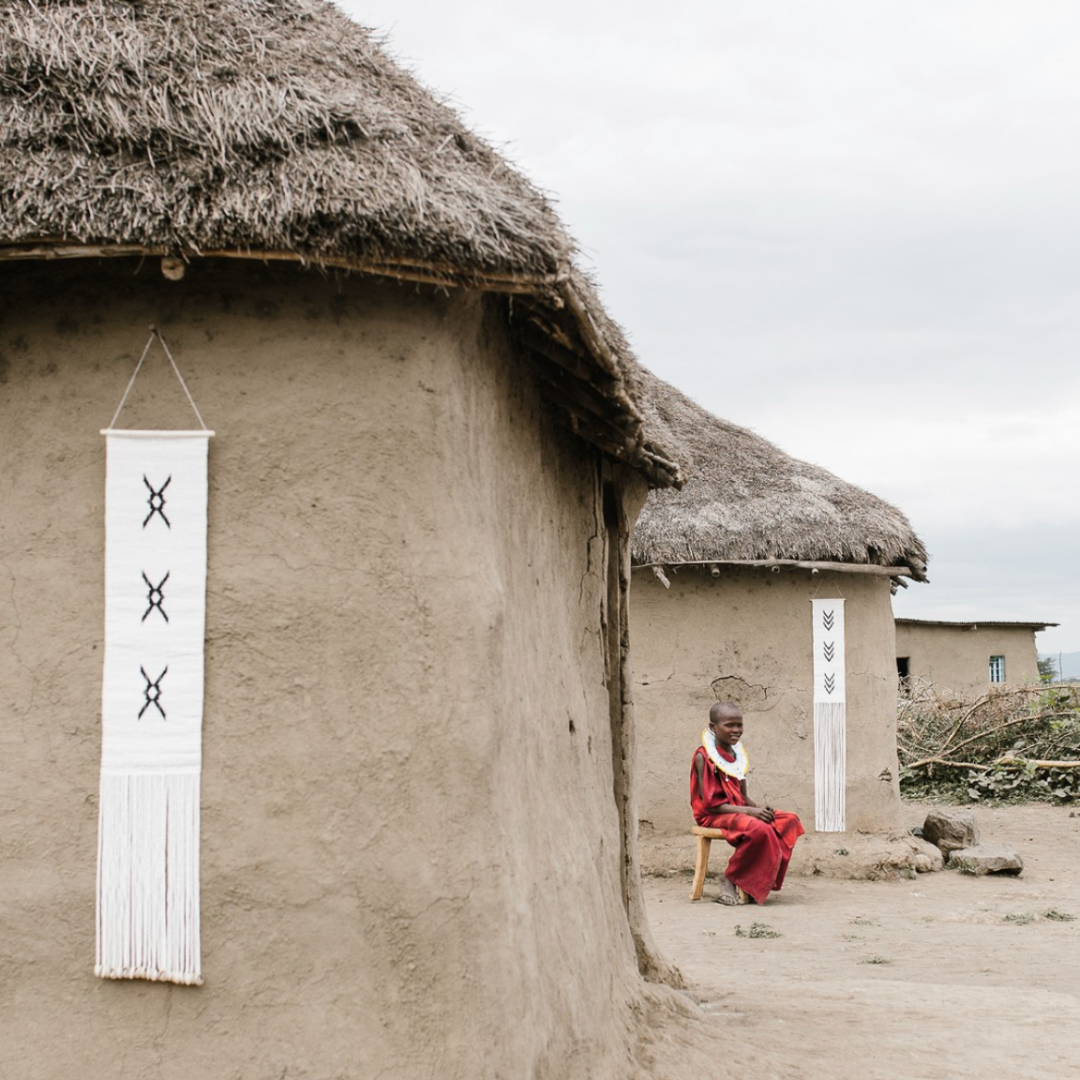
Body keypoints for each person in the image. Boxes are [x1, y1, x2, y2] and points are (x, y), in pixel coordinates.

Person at [690, 701, 804, 905]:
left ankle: (755, 882)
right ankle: (729, 878)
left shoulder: (737, 755)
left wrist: (759, 808)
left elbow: (742, 797)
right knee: (759, 828)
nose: (736, 730)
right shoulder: (704, 757)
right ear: (713, 727)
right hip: (714, 815)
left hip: (738, 811)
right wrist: (751, 813)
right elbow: (711, 805)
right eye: (729, 725)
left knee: (788, 821)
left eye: (739, 725)